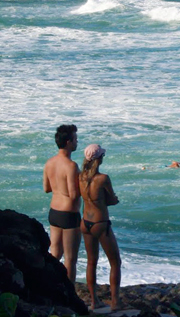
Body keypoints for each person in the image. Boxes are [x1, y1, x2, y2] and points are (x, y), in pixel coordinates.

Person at [80, 144, 122, 312]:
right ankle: (115, 302)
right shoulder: (103, 178)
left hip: (85, 223)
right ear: (99, 159)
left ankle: (94, 301)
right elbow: (111, 200)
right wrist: (114, 200)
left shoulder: (80, 177)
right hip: (100, 223)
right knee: (115, 262)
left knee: (91, 262)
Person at [42, 124, 81, 283]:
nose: (77, 142)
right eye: (75, 139)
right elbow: (73, 196)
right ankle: (70, 294)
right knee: (70, 259)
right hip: (69, 215)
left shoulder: (49, 162)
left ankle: (48, 284)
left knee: (54, 255)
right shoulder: (71, 166)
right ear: (68, 142)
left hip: (54, 213)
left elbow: (46, 188)